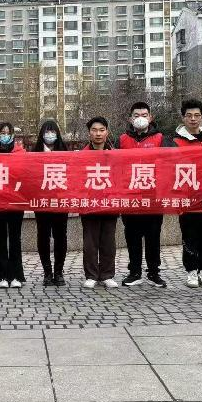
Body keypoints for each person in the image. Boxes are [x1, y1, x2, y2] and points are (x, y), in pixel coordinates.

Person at [118, 102, 173, 288]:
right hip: (130, 197)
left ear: (151, 117)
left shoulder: (161, 138)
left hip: (153, 197)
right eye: (136, 115)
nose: (140, 118)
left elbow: (171, 163)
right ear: (130, 119)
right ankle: (134, 272)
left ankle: (154, 272)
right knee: (132, 236)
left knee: (153, 237)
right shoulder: (122, 140)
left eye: (144, 114)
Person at [173, 98, 202, 289]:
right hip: (188, 197)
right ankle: (191, 270)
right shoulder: (175, 141)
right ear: (183, 117)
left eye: (197, 115)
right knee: (190, 235)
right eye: (189, 115)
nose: (193, 119)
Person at [80, 116, 119, 288]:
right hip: (89, 204)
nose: (98, 134)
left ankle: (107, 274)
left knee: (108, 241)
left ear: (107, 132)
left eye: (101, 130)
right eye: (94, 130)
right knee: (90, 241)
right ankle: (91, 275)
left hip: (110, 203)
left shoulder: (116, 155)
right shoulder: (82, 155)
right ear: (89, 133)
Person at [30, 119, 69, 286]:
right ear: (42, 134)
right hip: (42, 202)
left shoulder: (65, 151)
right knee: (43, 236)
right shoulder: (35, 153)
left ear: (57, 134)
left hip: (61, 201)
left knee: (61, 236)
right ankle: (47, 272)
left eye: (53, 131)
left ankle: (58, 272)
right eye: (47, 131)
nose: (50, 135)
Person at [0, 122, 26, 289]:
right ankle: (2, 275)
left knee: (15, 238)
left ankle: (16, 275)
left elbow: (25, 175)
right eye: (2, 133)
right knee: (1, 238)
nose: (5, 135)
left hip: (16, 201)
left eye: (8, 133)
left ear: (13, 135)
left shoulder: (21, 153)